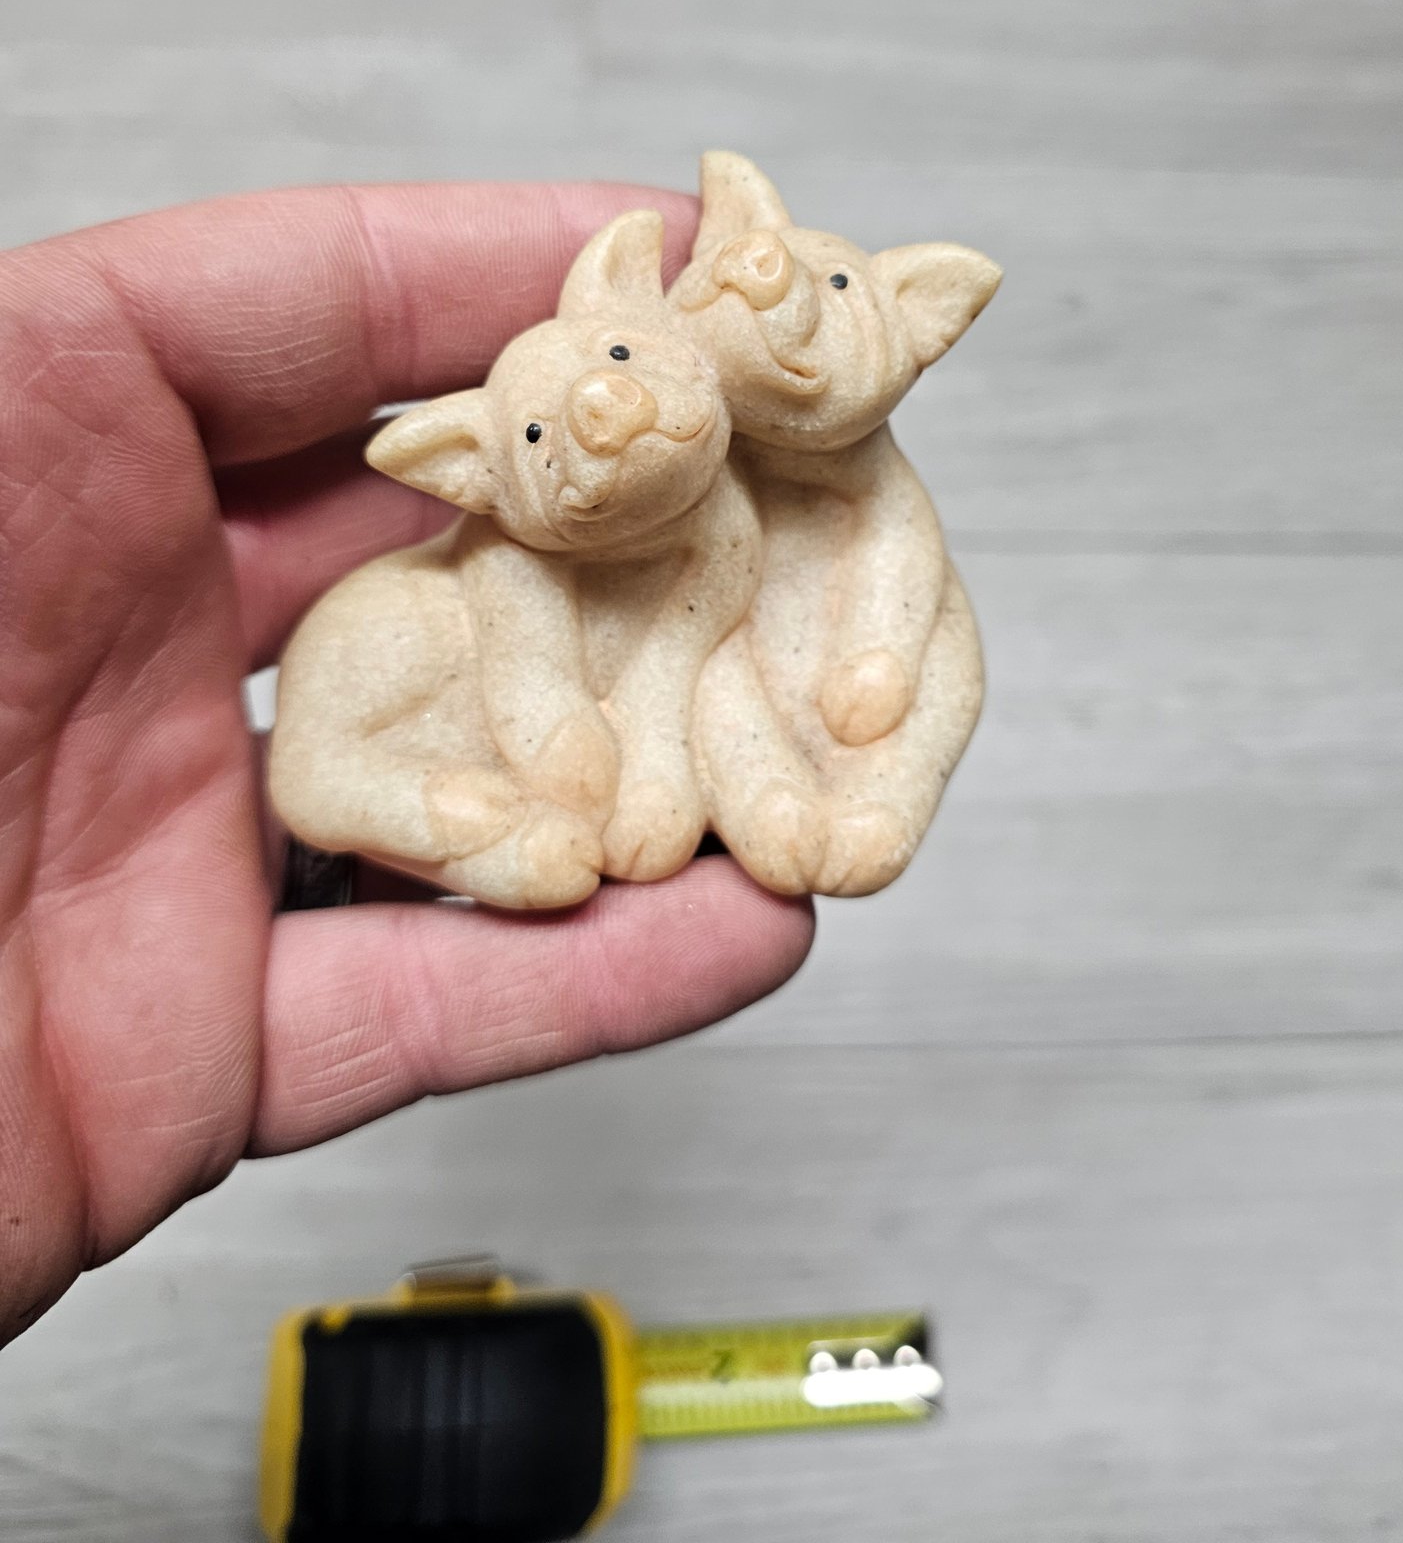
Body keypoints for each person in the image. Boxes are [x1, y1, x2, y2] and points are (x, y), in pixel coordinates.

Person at [0, 180, 814, 1346]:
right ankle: (386, 792)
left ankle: (444, 810)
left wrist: (658, 775)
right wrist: (585, 769)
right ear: (476, 476)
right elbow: (544, 714)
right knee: (409, 713)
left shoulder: (727, 527)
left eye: (621, 353)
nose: (609, 407)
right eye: (532, 436)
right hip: (418, 684)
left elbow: (670, 667)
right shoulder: (509, 564)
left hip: (533, 747)